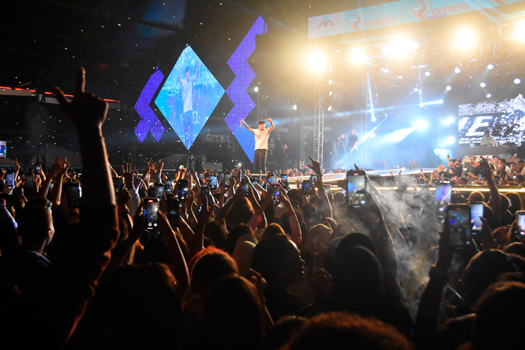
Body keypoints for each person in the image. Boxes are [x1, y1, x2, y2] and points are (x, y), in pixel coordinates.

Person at [177, 62, 200, 148]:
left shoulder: (190, 80)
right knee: (186, 127)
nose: (188, 74)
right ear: (185, 74)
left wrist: (197, 68)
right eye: (187, 72)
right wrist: (178, 73)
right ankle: (186, 142)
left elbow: (195, 76)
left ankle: (191, 140)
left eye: (189, 72)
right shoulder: (183, 81)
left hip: (190, 109)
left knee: (191, 126)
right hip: (185, 110)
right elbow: (178, 80)